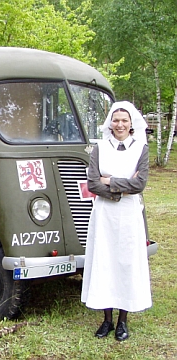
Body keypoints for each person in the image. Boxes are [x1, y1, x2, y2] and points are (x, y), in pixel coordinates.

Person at [81, 101, 152, 341]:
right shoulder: (100, 147)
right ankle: (107, 319)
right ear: (110, 122)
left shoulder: (140, 148)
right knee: (105, 260)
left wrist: (111, 181)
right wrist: (121, 188)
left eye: (124, 120)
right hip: (104, 214)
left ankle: (123, 321)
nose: (120, 124)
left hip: (129, 214)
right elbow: (92, 183)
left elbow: (140, 184)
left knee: (125, 262)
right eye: (116, 119)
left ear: (132, 123)